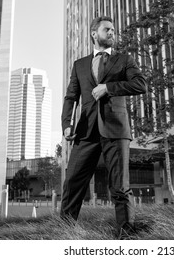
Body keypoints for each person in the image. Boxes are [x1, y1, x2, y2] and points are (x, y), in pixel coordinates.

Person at [60, 16, 147, 238]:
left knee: (120, 186)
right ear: (94, 33)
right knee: (72, 183)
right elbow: (71, 96)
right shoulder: (79, 64)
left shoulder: (124, 59)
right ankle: (63, 232)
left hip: (116, 130)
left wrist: (108, 87)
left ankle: (126, 236)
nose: (111, 33)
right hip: (86, 131)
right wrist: (67, 124)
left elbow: (140, 84)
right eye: (107, 29)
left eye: (113, 30)